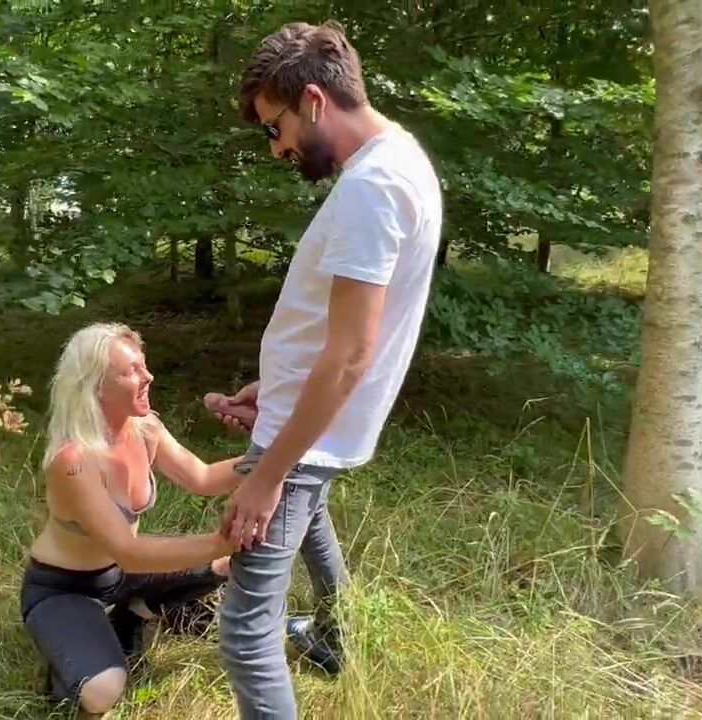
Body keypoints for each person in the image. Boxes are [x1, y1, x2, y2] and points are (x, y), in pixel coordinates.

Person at [205, 20, 444, 719]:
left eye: (273, 127)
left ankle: (326, 641)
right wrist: (277, 388)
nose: (275, 147)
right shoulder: (399, 159)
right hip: (310, 420)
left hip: (306, 439)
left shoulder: (374, 187)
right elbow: (340, 335)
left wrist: (267, 475)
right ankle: (335, 639)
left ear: (312, 100)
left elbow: (350, 355)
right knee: (312, 525)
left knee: (246, 631)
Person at [20, 322, 246, 716]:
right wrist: (220, 540)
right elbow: (129, 551)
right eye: (132, 371)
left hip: (123, 575)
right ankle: (66, 661)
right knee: (102, 693)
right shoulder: (73, 461)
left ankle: (131, 613)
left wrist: (271, 456)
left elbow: (204, 477)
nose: (148, 376)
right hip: (65, 588)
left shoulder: (145, 429)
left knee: (226, 566)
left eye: (144, 365)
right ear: (95, 385)